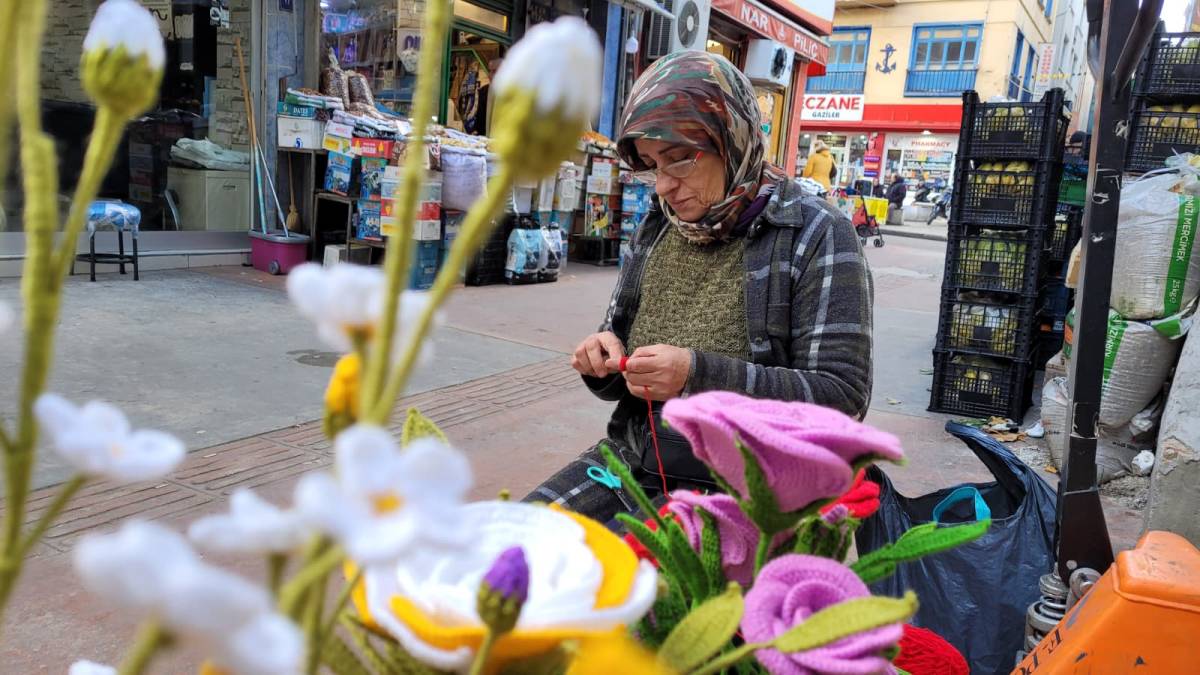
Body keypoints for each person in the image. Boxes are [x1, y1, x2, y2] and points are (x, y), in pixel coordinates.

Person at [522, 51, 874, 527]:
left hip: (751, 494)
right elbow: (618, 348)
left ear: (731, 137)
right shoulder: (658, 226)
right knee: (505, 548)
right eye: (650, 165)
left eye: (679, 159)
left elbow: (842, 397)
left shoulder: (816, 232)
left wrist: (696, 374)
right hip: (638, 463)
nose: (664, 185)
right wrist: (602, 360)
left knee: (635, 598)